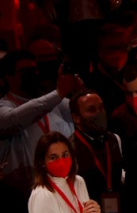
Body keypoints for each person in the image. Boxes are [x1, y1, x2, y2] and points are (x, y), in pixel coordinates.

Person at [0, 51, 80, 190]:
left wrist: (81, 93)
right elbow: (15, 119)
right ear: (8, 77)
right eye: (25, 71)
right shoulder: (4, 106)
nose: (33, 74)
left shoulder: (56, 103)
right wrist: (59, 93)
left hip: (62, 182)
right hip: (23, 190)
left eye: (34, 69)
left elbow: (84, 113)